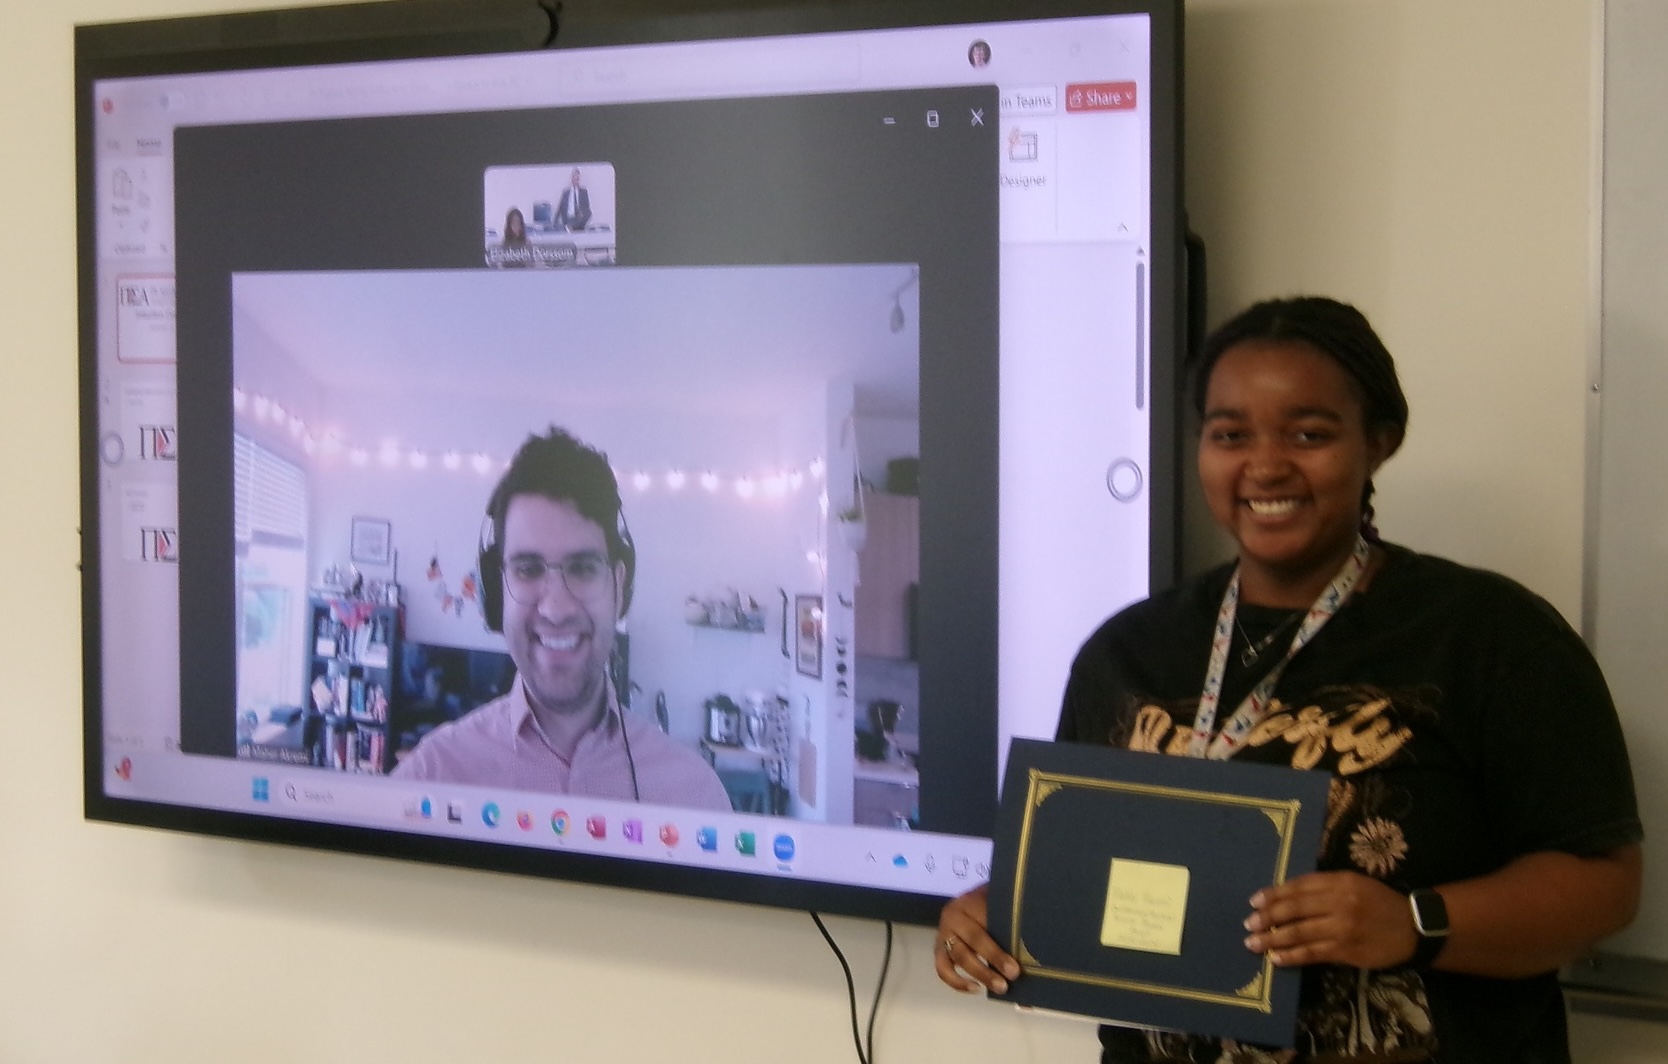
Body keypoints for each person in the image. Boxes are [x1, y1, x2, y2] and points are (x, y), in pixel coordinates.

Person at [935, 297, 1642, 1062]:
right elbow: (1071, 867)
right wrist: (988, 914)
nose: (1266, 465)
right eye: (1229, 434)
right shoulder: (1128, 651)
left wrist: (1414, 922)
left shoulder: (1492, 638)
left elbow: (1605, 883)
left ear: (1380, 441)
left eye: (1310, 433)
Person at [393, 426, 731, 811]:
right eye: (528, 568)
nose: (556, 609)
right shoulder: (430, 778)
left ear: (619, 585)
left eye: (584, 568)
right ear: (495, 588)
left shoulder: (696, 797)